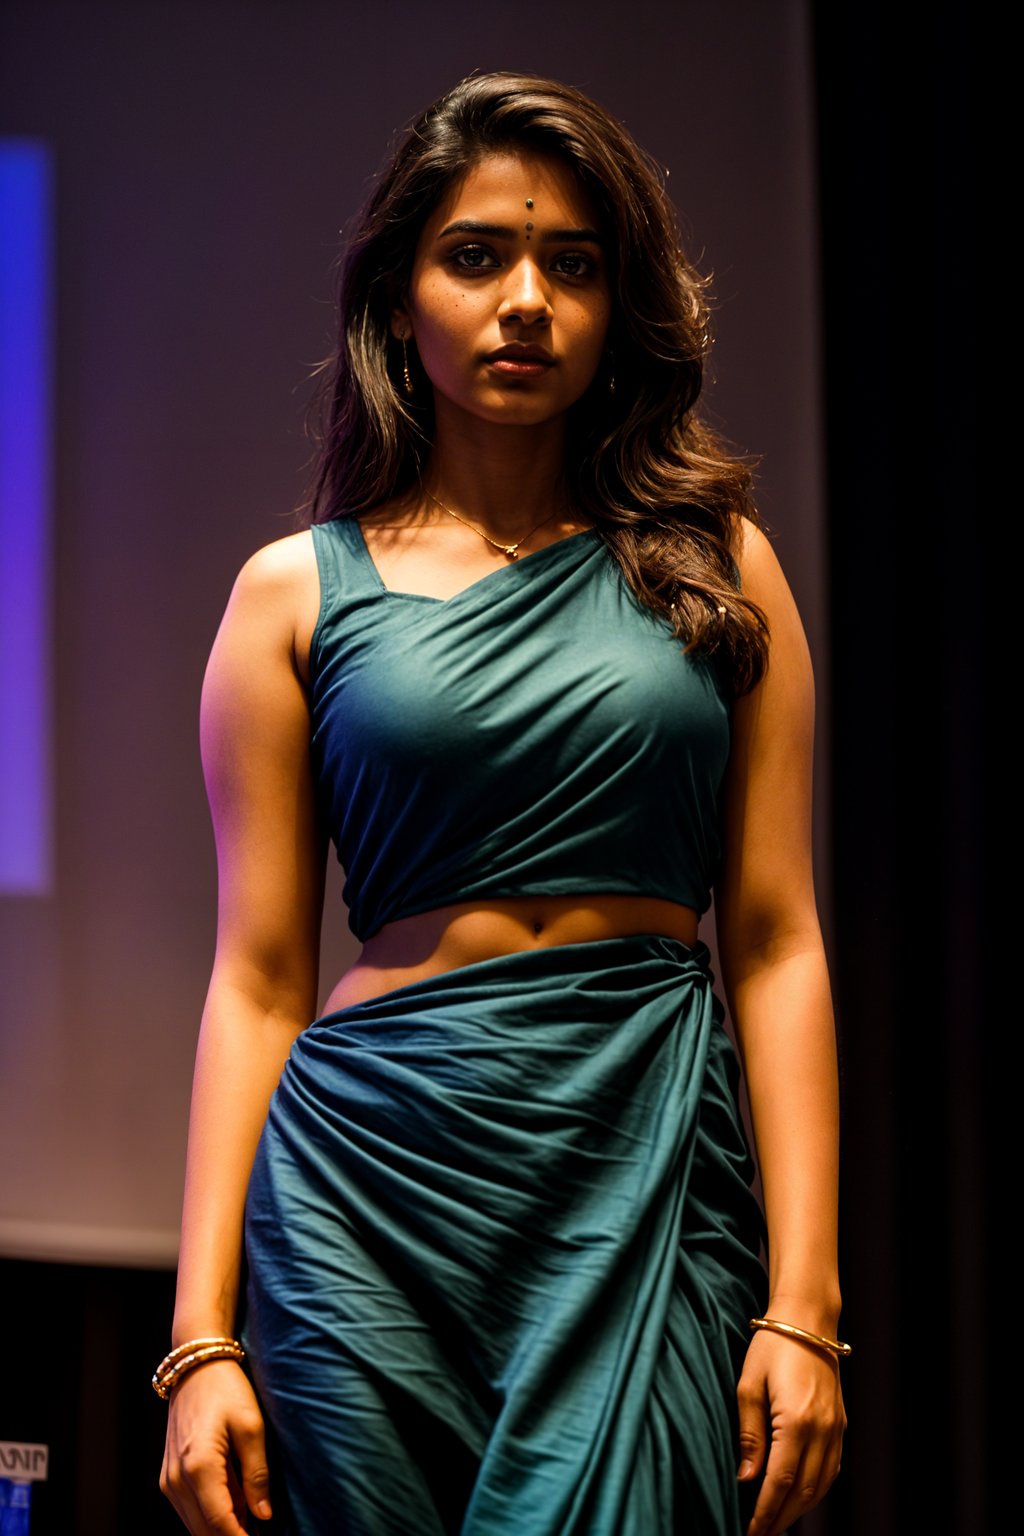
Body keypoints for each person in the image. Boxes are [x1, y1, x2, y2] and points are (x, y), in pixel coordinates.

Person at [157, 69, 847, 1536]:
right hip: (367, 1187)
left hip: (642, 1155)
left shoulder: (726, 568)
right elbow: (258, 979)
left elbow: (779, 940)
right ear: (401, 295)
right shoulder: (292, 595)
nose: (524, 299)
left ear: (621, 310)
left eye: (571, 265)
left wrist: (805, 1301)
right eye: (477, 255)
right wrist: (199, 1342)